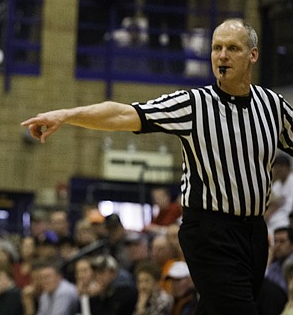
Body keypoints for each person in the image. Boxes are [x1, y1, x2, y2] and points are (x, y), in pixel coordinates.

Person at [22, 18, 293, 314]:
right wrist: (65, 114)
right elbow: (124, 114)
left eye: (232, 48)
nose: (222, 56)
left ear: (252, 55)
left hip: (254, 231)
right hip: (209, 229)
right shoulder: (194, 105)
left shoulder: (272, 106)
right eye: (216, 48)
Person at [265, 151, 293, 237]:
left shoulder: (291, 181)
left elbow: (289, 206)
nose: (276, 170)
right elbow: (272, 203)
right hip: (274, 219)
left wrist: (277, 202)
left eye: (279, 167)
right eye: (275, 167)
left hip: (286, 219)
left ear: (286, 168)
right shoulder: (277, 185)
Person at [264, 226, 293, 293]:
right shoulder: (275, 265)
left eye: (282, 241)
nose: (277, 245)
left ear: (292, 245)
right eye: (275, 241)